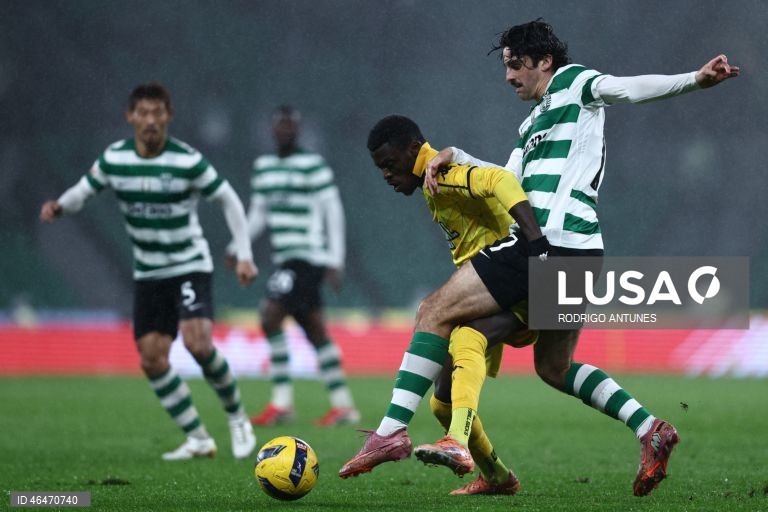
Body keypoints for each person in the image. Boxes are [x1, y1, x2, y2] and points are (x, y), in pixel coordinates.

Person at [417, 20, 740, 496]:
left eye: (515, 65)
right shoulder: (531, 123)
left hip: (553, 242)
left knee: (440, 313)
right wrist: (456, 154)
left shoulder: (575, 83)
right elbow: (505, 177)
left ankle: (416, 434)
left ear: (544, 61)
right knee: (553, 366)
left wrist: (694, 78)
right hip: (578, 249)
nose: (508, 77)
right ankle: (651, 429)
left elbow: (628, 90)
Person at [39, 82, 259, 461]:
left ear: (169, 116)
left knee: (198, 343)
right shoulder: (115, 160)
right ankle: (198, 437)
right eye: (143, 113)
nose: (151, 120)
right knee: (152, 358)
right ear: (131, 117)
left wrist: (243, 253)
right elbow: (85, 190)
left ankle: (238, 418)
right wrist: (60, 206)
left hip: (189, 264)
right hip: (149, 273)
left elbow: (227, 198)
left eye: (158, 113)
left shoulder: (187, 160)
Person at [339, 114, 550, 490]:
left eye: (390, 164)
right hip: (503, 288)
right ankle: (497, 476)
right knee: (442, 400)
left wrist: (535, 243)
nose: (386, 174)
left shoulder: (445, 174)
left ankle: (392, 431)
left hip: (521, 280)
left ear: (412, 149)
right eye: (380, 169)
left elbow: (501, 179)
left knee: (433, 311)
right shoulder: (434, 179)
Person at [232, 105, 359, 427]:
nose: (285, 130)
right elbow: (258, 213)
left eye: (290, 125)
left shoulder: (312, 166)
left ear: (298, 130)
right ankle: (344, 407)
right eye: (280, 125)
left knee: (269, 315)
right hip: (286, 256)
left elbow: (333, 210)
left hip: (309, 256)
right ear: (272, 130)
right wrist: (239, 245)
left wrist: (336, 259)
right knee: (314, 329)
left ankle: (282, 403)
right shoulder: (264, 167)